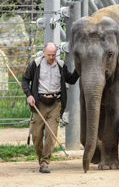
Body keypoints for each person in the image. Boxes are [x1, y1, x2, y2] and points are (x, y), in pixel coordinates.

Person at [21, 42, 79, 173]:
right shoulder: (35, 65)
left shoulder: (61, 65)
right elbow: (24, 80)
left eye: (53, 55)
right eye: (49, 55)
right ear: (43, 53)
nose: (51, 58)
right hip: (39, 103)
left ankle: (45, 162)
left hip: (55, 103)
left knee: (50, 134)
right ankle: (42, 157)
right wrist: (29, 95)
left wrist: (79, 68)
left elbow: (71, 79)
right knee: (36, 135)